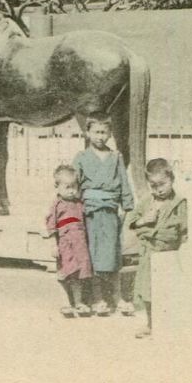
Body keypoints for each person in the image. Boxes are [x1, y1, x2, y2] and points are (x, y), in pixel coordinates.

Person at [73, 117, 135, 316]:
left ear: (109, 134)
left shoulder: (116, 156)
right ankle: (98, 298)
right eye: (96, 132)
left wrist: (126, 207)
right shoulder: (81, 157)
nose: (100, 137)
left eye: (104, 132)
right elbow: (73, 185)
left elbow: (124, 183)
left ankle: (117, 297)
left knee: (113, 255)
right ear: (87, 133)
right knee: (93, 255)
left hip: (111, 211)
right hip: (90, 212)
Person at [127, 157, 188, 339]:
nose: (158, 189)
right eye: (153, 185)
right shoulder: (147, 202)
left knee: (168, 290)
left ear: (172, 179)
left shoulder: (179, 203)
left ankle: (170, 325)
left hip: (169, 253)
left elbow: (184, 229)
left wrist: (183, 249)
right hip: (149, 253)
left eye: (162, 184)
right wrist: (144, 220)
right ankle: (151, 324)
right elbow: (131, 222)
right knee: (148, 291)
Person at [42, 163, 93, 317]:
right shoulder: (57, 205)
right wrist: (53, 245)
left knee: (78, 274)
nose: (71, 191)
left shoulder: (79, 204)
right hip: (65, 245)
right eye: (67, 187)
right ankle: (65, 302)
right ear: (57, 187)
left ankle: (78, 303)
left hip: (80, 245)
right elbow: (51, 225)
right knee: (64, 274)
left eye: (74, 187)